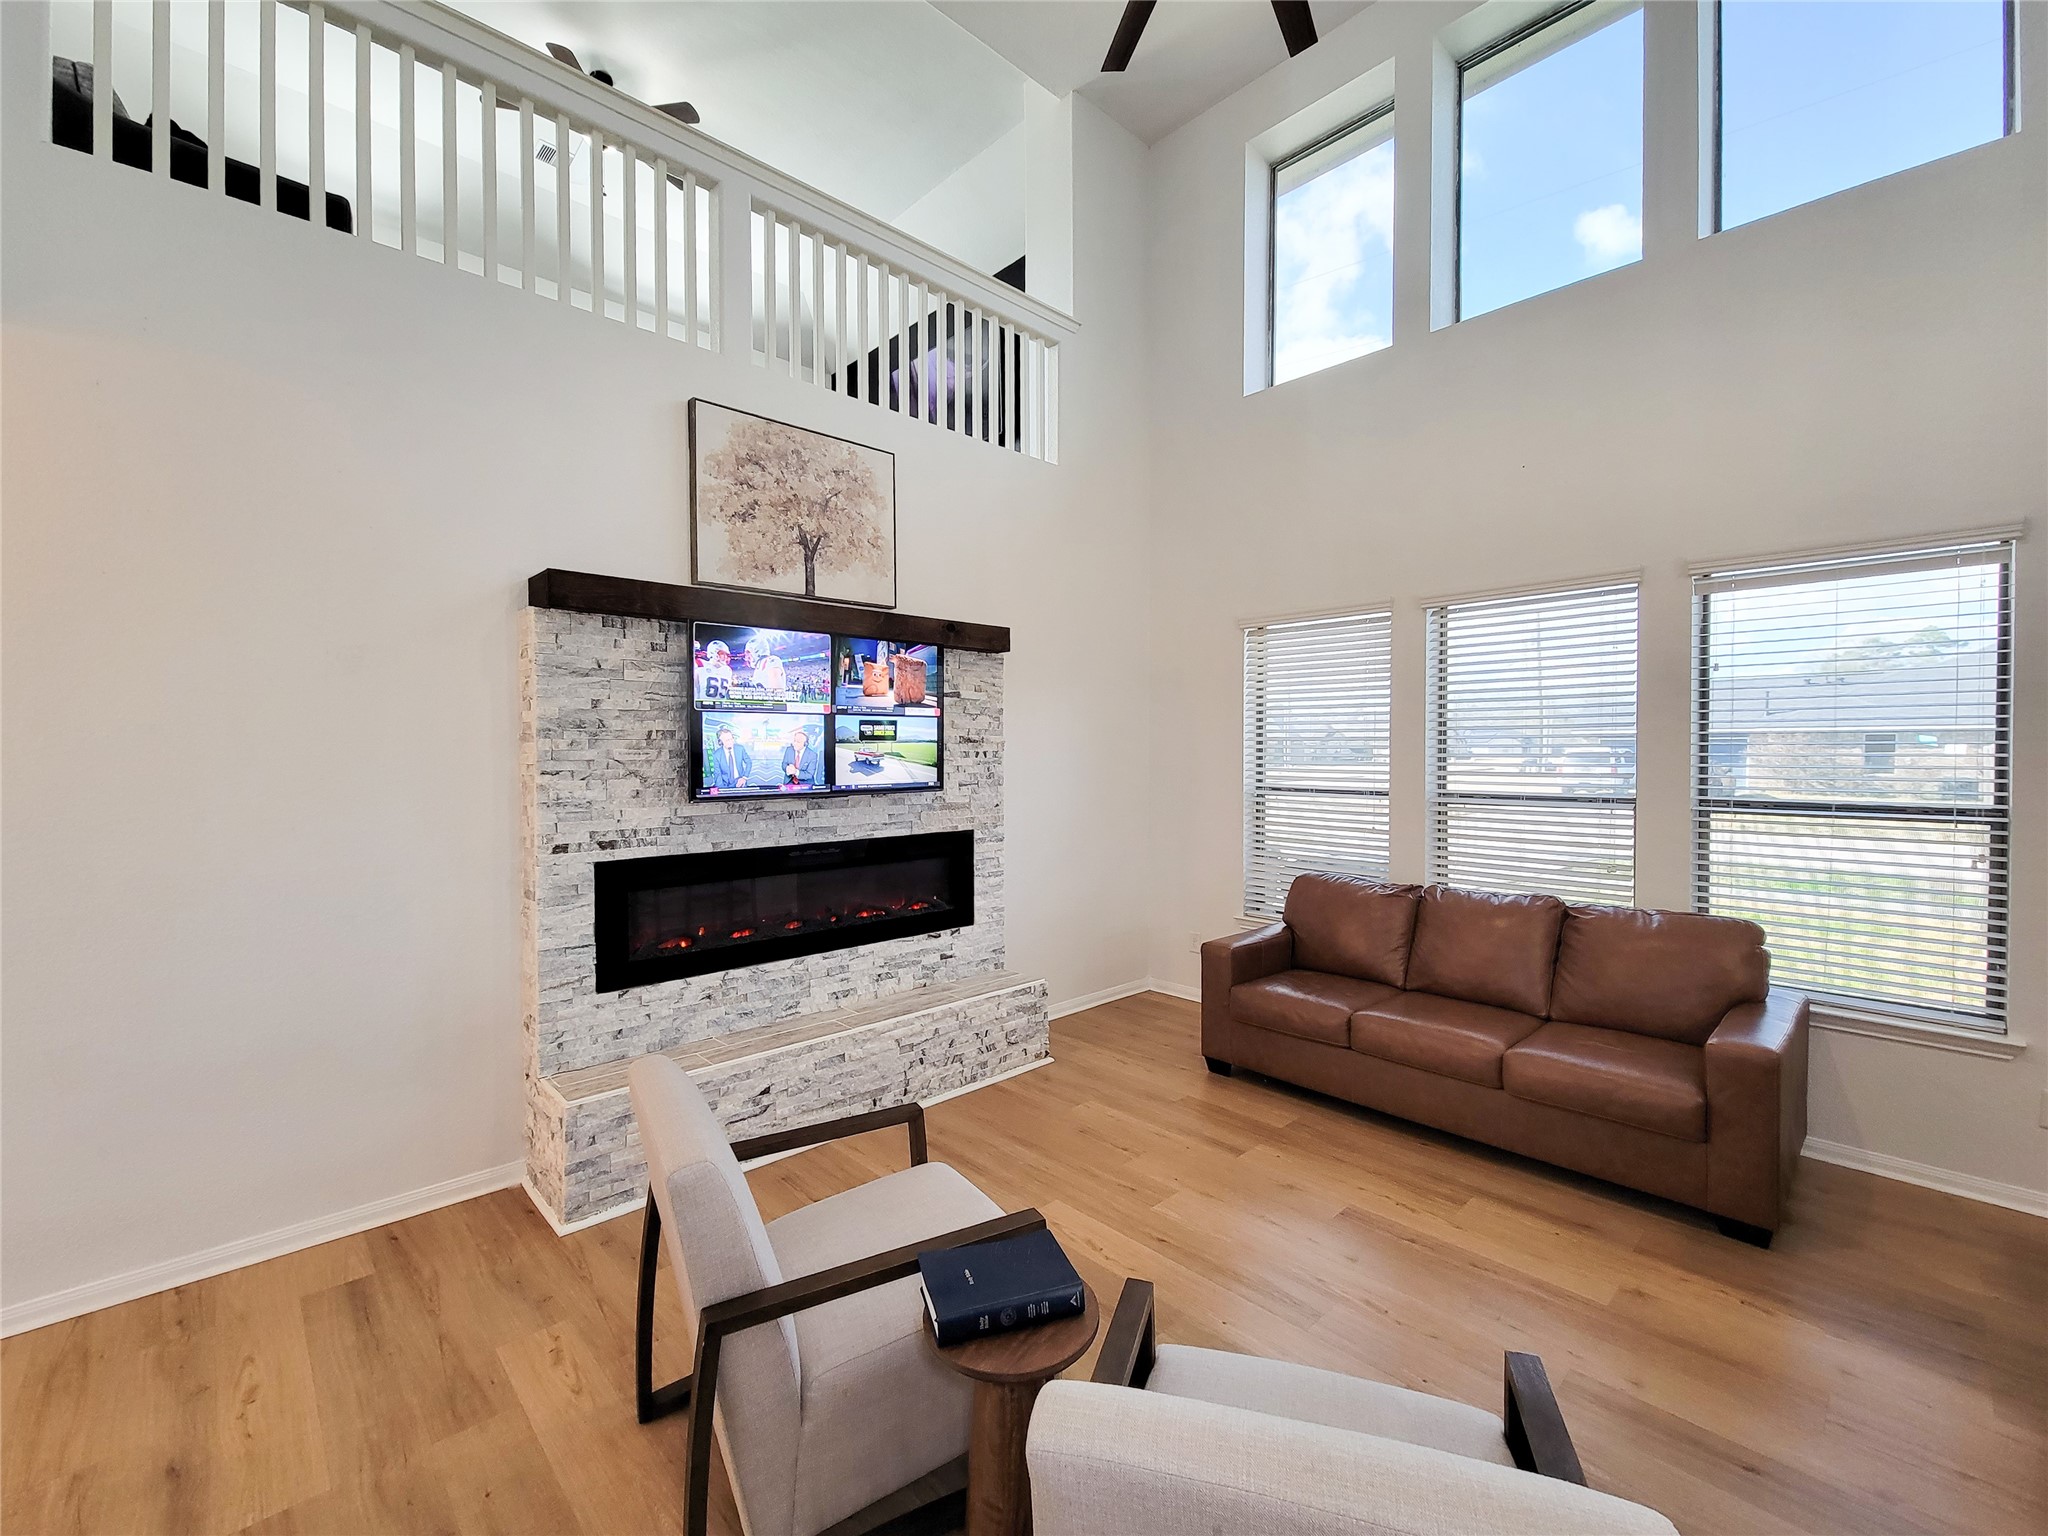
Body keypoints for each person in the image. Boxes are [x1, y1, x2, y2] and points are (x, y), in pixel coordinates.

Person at [707, 723, 752, 789]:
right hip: (725, 785)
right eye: (727, 740)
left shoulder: (740, 749)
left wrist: (744, 778)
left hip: (740, 783)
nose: (731, 742)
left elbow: (749, 762)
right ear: (720, 742)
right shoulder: (716, 755)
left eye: (731, 739)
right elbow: (717, 774)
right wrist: (722, 790)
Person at [746, 634, 788, 698]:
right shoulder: (758, 668)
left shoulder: (771, 660)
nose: (747, 658)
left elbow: (777, 693)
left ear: (756, 650)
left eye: (748, 653)